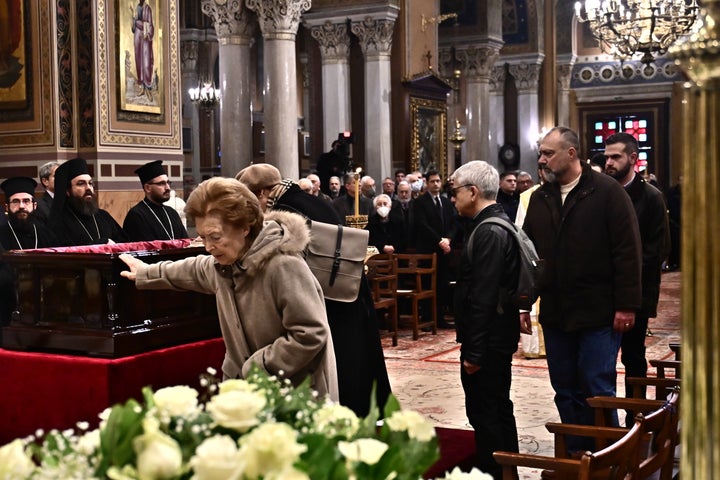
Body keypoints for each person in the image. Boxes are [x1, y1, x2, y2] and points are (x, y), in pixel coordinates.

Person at [119, 177, 338, 398]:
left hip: (293, 396)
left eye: (215, 237)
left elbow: (309, 333)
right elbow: (190, 269)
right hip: (246, 393)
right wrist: (145, 272)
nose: (207, 247)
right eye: (203, 237)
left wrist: (258, 366)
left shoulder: (283, 265)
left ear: (245, 227)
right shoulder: (225, 264)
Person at [235, 163, 391, 417]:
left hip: (326, 296)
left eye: (252, 199)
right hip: (346, 286)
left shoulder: (284, 212)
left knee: (342, 362)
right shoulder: (313, 201)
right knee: (359, 355)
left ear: (262, 192)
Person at [522, 127, 642, 454]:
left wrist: (627, 305)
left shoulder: (606, 192)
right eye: (542, 153)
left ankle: (608, 456)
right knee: (564, 388)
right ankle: (578, 454)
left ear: (571, 153)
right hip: (557, 310)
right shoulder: (539, 197)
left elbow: (627, 251)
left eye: (548, 153)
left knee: (596, 386)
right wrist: (523, 303)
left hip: (599, 311)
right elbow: (530, 257)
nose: (542, 159)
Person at [450, 160, 521, 479]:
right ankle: (509, 472)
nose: (453, 199)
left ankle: (496, 473)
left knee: (486, 412)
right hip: (496, 336)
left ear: (473, 192)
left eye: (455, 192)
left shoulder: (489, 231)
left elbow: (484, 297)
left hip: (488, 341)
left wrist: (474, 353)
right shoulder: (493, 222)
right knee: (497, 406)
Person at [604, 132, 670, 402]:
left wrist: (626, 274)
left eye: (615, 157)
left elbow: (658, 250)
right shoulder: (601, 192)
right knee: (601, 358)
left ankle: (636, 414)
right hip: (602, 290)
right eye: (607, 157)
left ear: (632, 159)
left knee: (633, 355)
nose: (609, 162)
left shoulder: (651, 197)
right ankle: (603, 415)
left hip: (636, 291)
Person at [412, 170, 457, 328]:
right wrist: (439, 241)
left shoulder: (445, 202)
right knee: (427, 285)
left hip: (444, 251)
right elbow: (422, 225)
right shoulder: (420, 202)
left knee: (442, 285)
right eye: (432, 181)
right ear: (427, 183)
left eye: (438, 181)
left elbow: (453, 222)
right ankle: (427, 319)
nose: (436, 184)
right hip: (427, 249)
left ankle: (440, 318)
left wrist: (448, 239)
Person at [49, 157, 128, 246]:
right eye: (81, 184)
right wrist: (97, 245)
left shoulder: (103, 216)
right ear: (67, 191)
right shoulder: (59, 222)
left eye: (90, 183)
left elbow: (125, 243)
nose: (88, 188)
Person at [123, 160, 188, 241]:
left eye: (168, 182)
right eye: (161, 183)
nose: (168, 187)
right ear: (148, 188)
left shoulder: (172, 213)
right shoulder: (136, 215)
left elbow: (185, 242)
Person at [0, 177, 55, 250]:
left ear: (34, 205)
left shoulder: (47, 234)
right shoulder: (1, 235)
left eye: (26, 201)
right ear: (7, 207)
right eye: (15, 201)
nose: (21, 206)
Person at [131, 0, 155, 101]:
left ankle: (148, 88)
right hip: (137, 36)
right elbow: (133, 26)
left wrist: (139, 23)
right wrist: (133, 18)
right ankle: (142, 88)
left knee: (146, 62)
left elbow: (150, 25)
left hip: (145, 39)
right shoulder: (137, 7)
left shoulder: (147, 9)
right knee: (138, 60)